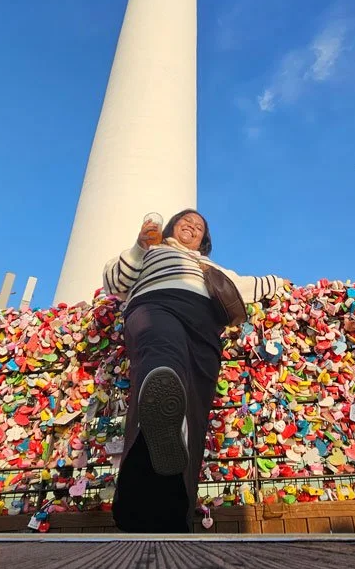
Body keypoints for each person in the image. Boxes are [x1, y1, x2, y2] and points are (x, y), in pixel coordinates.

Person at [103, 209, 285, 533]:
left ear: (204, 239)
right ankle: (159, 442)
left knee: (196, 410)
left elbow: (243, 286)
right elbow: (114, 282)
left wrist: (279, 283)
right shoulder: (153, 251)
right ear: (172, 226)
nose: (192, 226)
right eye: (187, 221)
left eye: (199, 227)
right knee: (163, 355)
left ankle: (176, 512)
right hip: (157, 305)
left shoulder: (210, 266)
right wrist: (140, 246)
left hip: (205, 327)